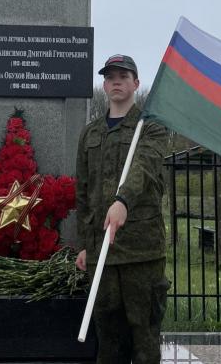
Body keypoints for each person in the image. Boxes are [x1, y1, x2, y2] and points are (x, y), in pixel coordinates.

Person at [75, 54, 169, 364]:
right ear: (104, 84)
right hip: (102, 253)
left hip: (141, 252)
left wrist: (123, 201)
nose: (116, 80)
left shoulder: (152, 127)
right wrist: (85, 246)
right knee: (109, 342)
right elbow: (84, 193)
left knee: (144, 340)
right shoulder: (90, 134)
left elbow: (144, 167)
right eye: (110, 76)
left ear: (136, 83)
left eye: (123, 75)